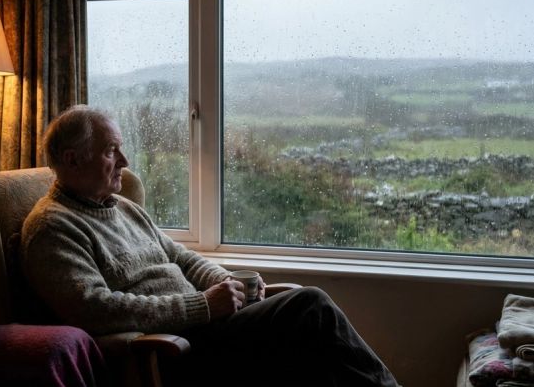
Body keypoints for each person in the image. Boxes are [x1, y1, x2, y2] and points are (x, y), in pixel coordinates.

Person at [20, 105, 399, 386]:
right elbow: (95, 310)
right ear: (72, 160)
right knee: (310, 306)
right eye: (110, 151)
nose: (125, 160)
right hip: (177, 350)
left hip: (209, 326)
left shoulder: (124, 209)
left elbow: (180, 257)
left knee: (311, 344)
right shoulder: (52, 228)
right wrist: (202, 305)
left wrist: (229, 285)